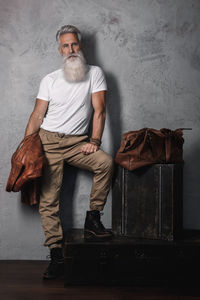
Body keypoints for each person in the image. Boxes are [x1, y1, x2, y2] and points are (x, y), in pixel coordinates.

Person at [24, 25, 114, 279]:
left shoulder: (95, 73)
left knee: (106, 163)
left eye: (74, 44)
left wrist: (94, 141)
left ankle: (93, 218)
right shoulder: (50, 79)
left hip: (78, 143)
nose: (70, 49)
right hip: (48, 142)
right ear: (59, 50)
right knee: (49, 200)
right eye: (65, 45)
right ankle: (56, 256)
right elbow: (37, 115)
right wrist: (26, 147)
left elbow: (100, 111)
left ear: (80, 46)